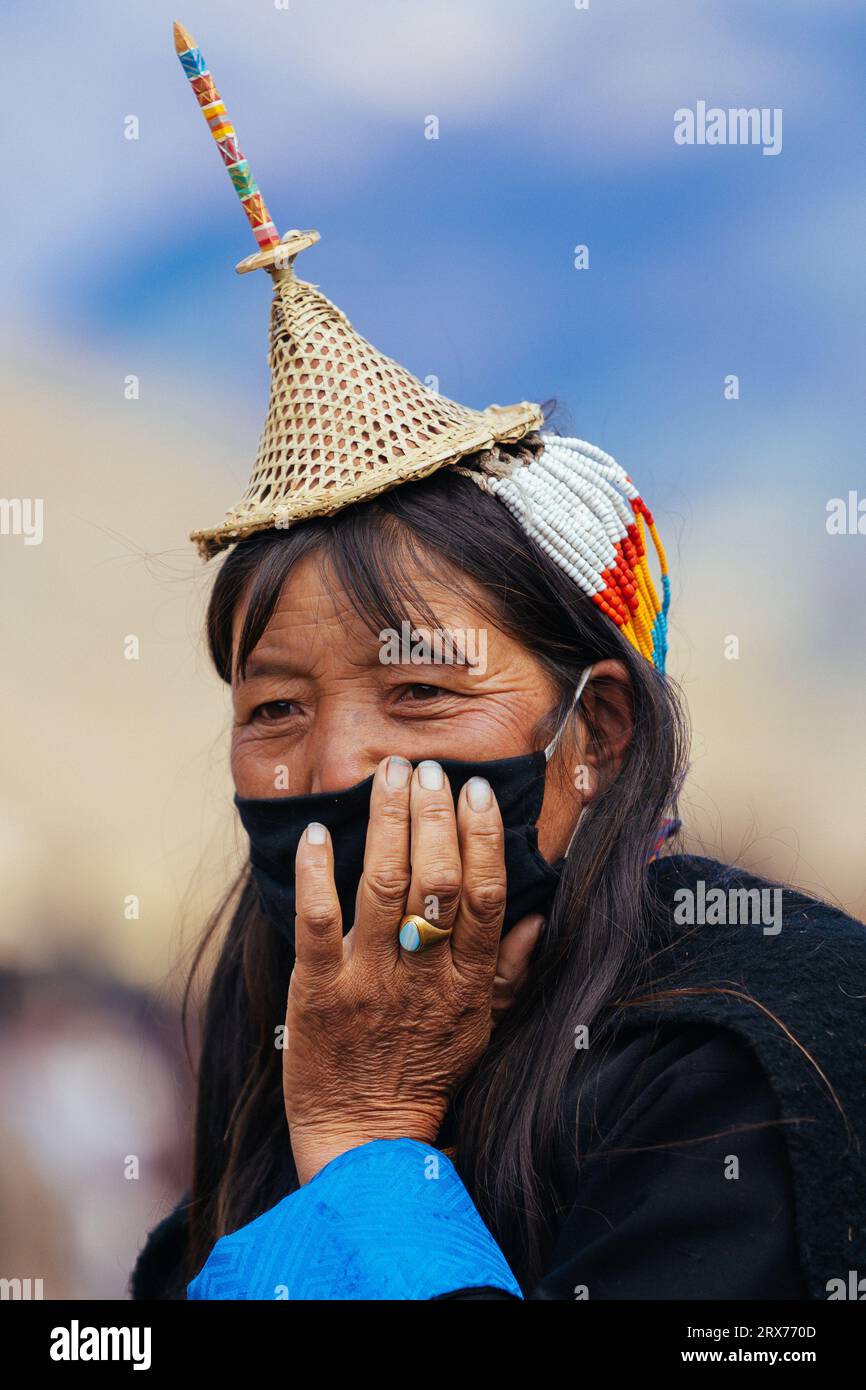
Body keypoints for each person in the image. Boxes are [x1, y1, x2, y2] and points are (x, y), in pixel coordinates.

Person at [131, 23, 866, 1301]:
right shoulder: (269, 1055)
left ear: (598, 736)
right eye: (274, 706)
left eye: (418, 687)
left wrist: (364, 1140)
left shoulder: (764, 1054)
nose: (335, 760)